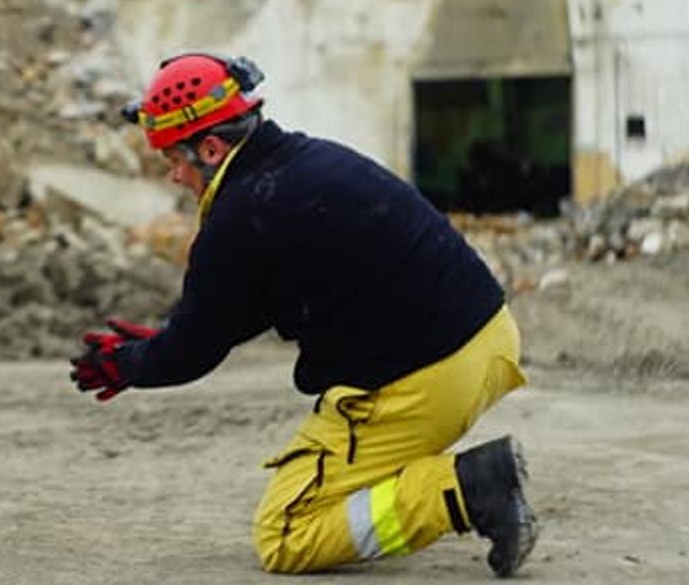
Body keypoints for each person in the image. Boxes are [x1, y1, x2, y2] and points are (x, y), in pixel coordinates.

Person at [70, 53, 537, 577]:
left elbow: (193, 353)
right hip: (489, 340)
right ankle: (434, 478)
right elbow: (255, 301)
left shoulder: (239, 217)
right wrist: (166, 340)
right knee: (352, 468)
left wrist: (133, 364)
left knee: (288, 533)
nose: (175, 176)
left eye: (173, 160)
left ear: (210, 148)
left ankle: (468, 488)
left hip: (427, 381)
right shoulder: (309, 162)